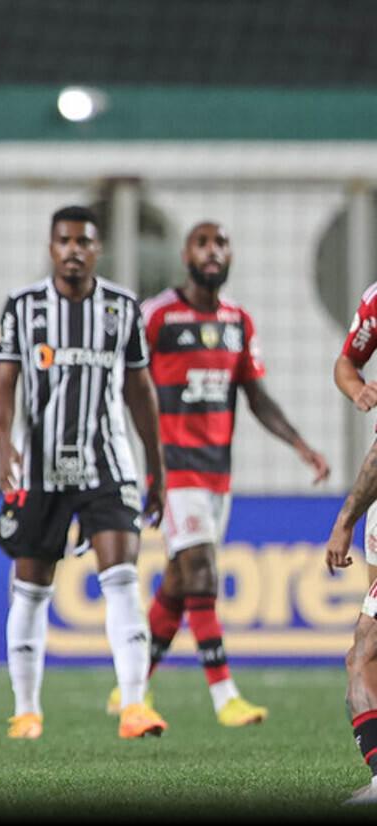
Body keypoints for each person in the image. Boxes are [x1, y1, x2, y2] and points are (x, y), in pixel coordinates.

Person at [117, 220, 329, 726]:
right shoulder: (157, 316)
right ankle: (225, 696)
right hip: (173, 469)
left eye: (221, 244)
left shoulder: (238, 323)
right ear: (185, 255)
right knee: (202, 571)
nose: (213, 252)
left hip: (217, 475)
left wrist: (301, 445)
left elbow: (255, 396)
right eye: (203, 243)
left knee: (177, 581)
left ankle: (132, 686)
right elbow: (125, 378)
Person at [0, 205, 167, 741]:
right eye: (64, 240)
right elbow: (4, 384)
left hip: (107, 465)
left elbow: (140, 390)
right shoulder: (22, 307)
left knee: (122, 578)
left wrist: (155, 465)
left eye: (83, 241)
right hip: (38, 469)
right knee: (31, 587)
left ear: (97, 249)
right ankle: (26, 710)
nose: (73, 250)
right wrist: (4, 447)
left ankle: (134, 706)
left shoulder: (122, 307)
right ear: (52, 248)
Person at [325, 280, 377, 805]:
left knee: (363, 652)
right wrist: (357, 387)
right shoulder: (375, 300)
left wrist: (343, 520)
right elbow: (345, 363)